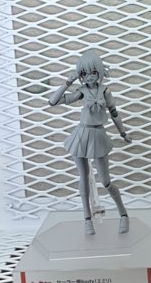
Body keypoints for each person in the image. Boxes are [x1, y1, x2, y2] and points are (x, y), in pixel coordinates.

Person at [48, 49, 132, 235]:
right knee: (83, 176)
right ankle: (87, 218)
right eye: (84, 73)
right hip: (81, 135)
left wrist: (123, 133)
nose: (89, 76)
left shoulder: (105, 91)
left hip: (99, 135)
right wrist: (68, 82)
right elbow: (53, 102)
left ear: (99, 71)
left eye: (93, 72)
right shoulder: (81, 91)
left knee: (106, 181)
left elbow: (114, 113)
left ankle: (123, 214)